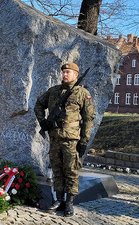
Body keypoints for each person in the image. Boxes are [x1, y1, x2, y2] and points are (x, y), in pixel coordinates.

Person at [34, 62, 95, 217]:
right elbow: (39, 105)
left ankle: (69, 202)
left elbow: (88, 119)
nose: (65, 75)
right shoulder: (53, 91)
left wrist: (84, 140)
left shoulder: (82, 93)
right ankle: (59, 199)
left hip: (72, 139)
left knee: (71, 171)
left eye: (69, 72)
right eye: (64, 72)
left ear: (76, 74)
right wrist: (43, 122)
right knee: (57, 170)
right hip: (55, 137)